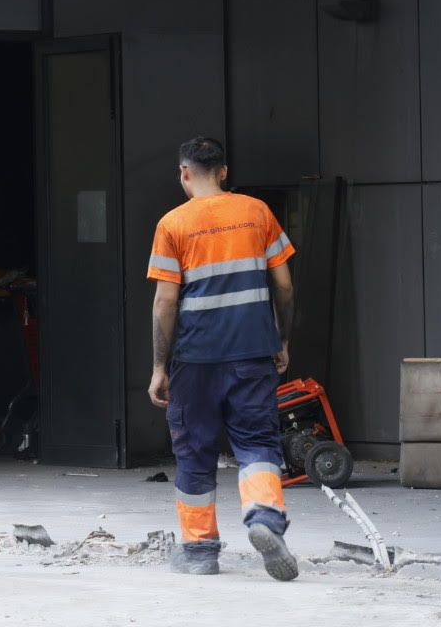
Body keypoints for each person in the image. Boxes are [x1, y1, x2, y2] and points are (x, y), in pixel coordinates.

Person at [146, 136, 298, 581]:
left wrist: (159, 366)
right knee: (257, 442)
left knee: (194, 451)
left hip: (195, 358)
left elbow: (164, 303)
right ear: (225, 171)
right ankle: (265, 518)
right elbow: (285, 287)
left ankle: (199, 552)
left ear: (184, 173)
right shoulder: (257, 213)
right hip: (253, 350)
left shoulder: (172, 223)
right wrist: (281, 339)